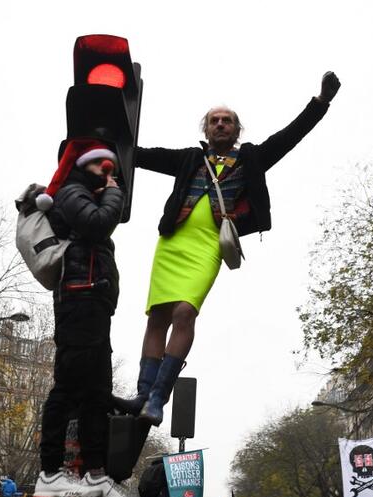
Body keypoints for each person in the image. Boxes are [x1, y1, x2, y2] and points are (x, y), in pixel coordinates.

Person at [116, 72, 341, 426]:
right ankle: (143, 394)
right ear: (206, 130)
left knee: (184, 313)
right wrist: (100, 139)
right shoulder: (190, 159)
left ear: (237, 130)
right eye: (214, 121)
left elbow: (290, 136)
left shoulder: (251, 158)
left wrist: (321, 102)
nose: (221, 124)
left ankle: (159, 398)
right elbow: (138, 156)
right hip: (173, 243)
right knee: (157, 317)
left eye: (228, 121)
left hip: (208, 246)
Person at [31, 139, 138, 497]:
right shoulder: (71, 192)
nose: (109, 172)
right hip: (78, 300)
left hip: (93, 301)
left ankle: (95, 473)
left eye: (113, 167)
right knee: (69, 387)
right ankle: (48, 471)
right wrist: (114, 194)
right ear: (83, 165)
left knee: (97, 392)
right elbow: (97, 224)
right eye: (101, 166)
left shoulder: (86, 192)